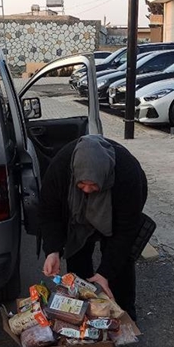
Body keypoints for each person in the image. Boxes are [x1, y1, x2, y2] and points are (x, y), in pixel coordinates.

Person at [39, 135, 148, 320]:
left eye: (93, 185)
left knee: (119, 267)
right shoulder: (59, 169)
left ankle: (124, 317)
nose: (87, 190)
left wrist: (105, 272)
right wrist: (53, 250)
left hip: (116, 212)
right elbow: (50, 213)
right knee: (78, 258)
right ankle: (84, 316)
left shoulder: (127, 173)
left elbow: (125, 232)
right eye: (82, 183)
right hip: (76, 217)